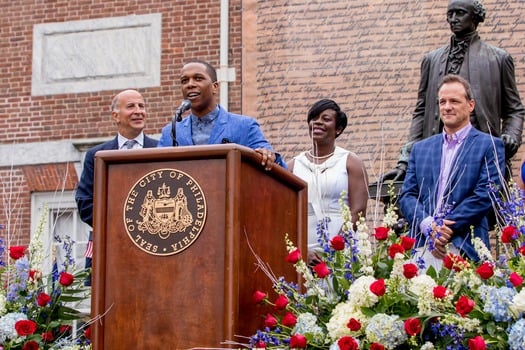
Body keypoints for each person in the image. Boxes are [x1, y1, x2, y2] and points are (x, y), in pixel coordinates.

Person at [381, 0, 524, 183]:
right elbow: (420, 112)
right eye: (450, 14)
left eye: (460, 13)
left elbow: (514, 110)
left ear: (475, 17)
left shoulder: (498, 59)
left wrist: (511, 137)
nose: (453, 19)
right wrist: (405, 160)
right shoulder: (431, 60)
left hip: (482, 159)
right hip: (435, 158)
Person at [399, 74, 505, 271]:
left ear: (470, 105)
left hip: (466, 245)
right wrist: (429, 225)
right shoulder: (420, 149)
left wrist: (445, 229)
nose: (447, 107)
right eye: (443, 101)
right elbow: (407, 195)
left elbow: (486, 194)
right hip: (422, 247)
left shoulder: (489, 145)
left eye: (454, 101)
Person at [75, 89, 158, 285]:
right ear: (115, 116)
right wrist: (122, 226)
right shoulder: (96, 155)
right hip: (109, 248)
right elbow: (85, 203)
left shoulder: (162, 149)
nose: (138, 111)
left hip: (152, 247)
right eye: (131, 106)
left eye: (141, 106)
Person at [157, 59, 286, 170]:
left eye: (198, 78)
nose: (190, 84)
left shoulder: (244, 126)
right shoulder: (171, 132)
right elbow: (154, 171)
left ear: (215, 87)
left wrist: (268, 156)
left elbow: (275, 165)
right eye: (184, 81)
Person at [287, 99, 369, 263]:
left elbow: (358, 210)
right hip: (305, 247)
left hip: (342, 243)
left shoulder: (350, 162)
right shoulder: (293, 165)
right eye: (314, 118)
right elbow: (285, 215)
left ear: (338, 129)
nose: (317, 122)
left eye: (326, 119)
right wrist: (302, 249)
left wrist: (336, 247)